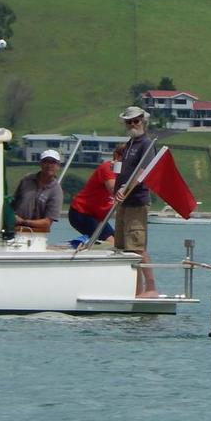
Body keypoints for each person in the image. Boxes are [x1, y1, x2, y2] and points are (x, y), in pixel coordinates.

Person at [114, 106, 158, 297]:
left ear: (143, 121)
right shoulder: (130, 144)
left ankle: (150, 289)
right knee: (124, 247)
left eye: (136, 121)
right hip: (124, 202)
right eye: (129, 121)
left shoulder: (146, 144)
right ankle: (136, 289)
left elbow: (143, 172)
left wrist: (126, 189)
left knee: (137, 247)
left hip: (137, 201)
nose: (133, 124)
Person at [68, 144, 124, 244]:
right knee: (111, 242)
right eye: (125, 158)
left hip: (97, 217)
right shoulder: (107, 168)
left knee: (120, 243)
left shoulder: (123, 174)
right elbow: (114, 190)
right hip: (81, 212)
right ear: (116, 155)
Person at [12, 149, 64, 233]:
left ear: (58, 166)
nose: (49, 165)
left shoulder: (57, 192)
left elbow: (47, 222)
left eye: (53, 162)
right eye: (46, 161)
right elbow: (12, 203)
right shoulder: (26, 180)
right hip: (13, 230)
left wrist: (23, 222)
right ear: (40, 163)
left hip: (37, 235)